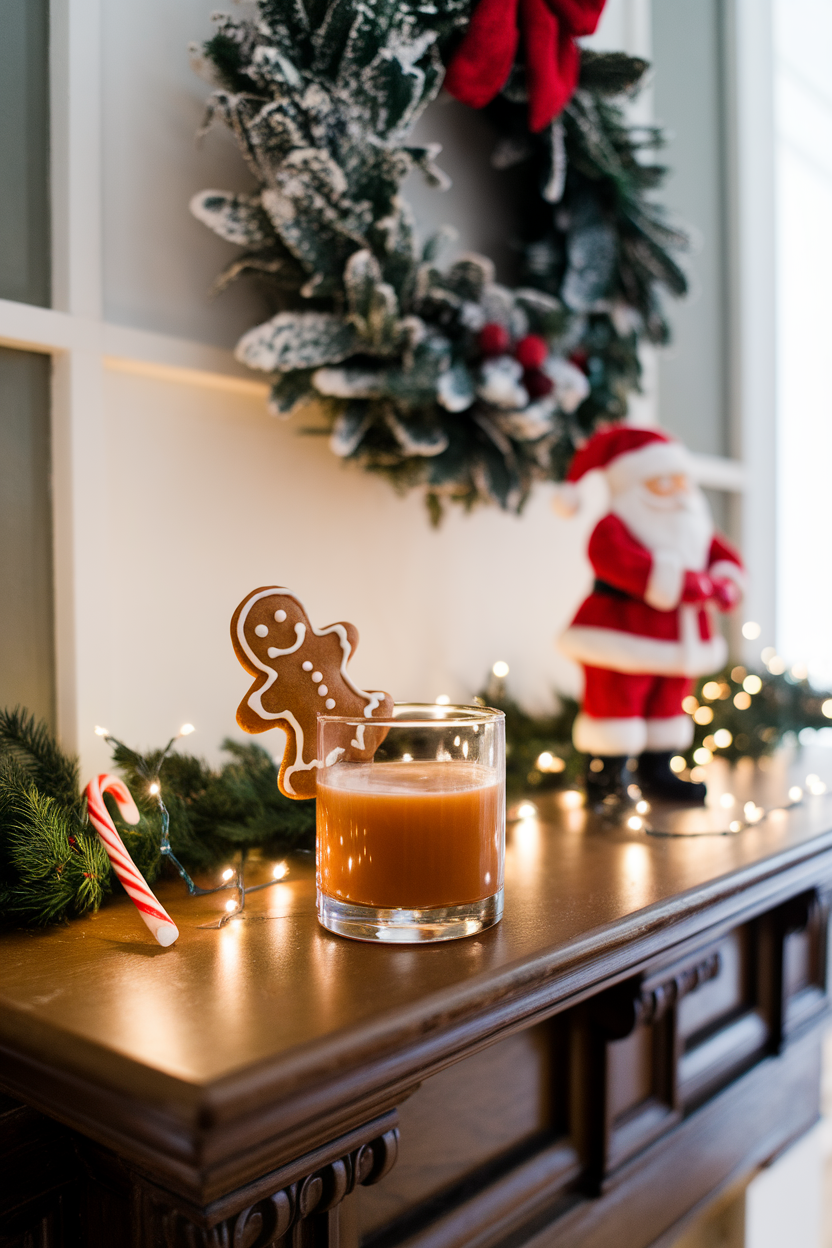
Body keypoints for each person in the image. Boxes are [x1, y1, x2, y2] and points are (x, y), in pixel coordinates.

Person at [556, 426, 745, 809]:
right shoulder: (615, 525)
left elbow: (724, 558)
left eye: (681, 480)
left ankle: (658, 771)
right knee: (616, 702)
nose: (677, 491)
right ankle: (606, 776)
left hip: (680, 639)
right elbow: (615, 559)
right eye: (663, 482)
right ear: (634, 484)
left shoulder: (693, 526)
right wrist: (683, 582)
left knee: (669, 703)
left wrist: (727, 583)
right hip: (621, 634)